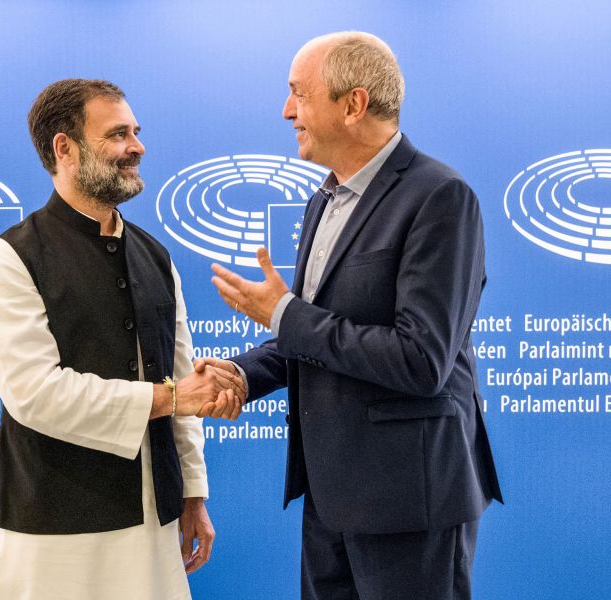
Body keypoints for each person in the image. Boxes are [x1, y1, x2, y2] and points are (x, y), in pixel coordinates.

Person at [207, 32, 503, 599]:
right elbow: (316, 333)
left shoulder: (441, 196)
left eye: (299, 94)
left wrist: (284, 314)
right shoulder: (323, 200)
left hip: (410, 502)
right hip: (329, 499)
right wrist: (242, 373)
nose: (286, 110)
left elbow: (421, 360)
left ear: (353, 105)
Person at [0, 78, 243, 600]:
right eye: (118, 134)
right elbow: (36, 395)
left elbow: (181, 379)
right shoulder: (11, 259)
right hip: (51, 530)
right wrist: (170, 398)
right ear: (64, 148)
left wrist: (192, 493)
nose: (137, 147)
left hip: (155, 525)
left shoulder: (155, 256)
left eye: (135, 132)